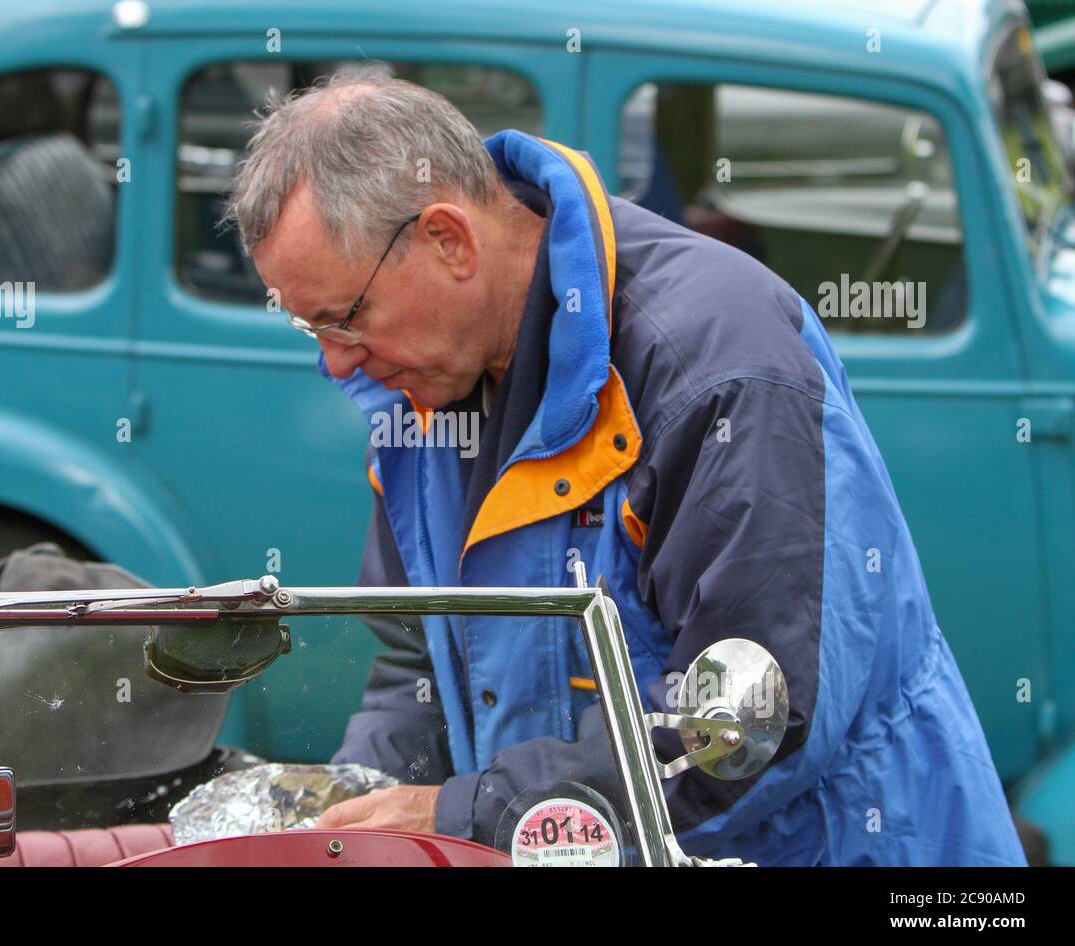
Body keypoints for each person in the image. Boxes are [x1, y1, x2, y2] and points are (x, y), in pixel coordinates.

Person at [224, 65, 1026, 865]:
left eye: (343, 319)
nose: (337, 365)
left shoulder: (718, 373)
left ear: (449, 239)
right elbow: (416, 659)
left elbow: (742, 731)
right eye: (311, 329)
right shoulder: (422, 387)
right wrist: (358, 815)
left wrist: (468, 815)